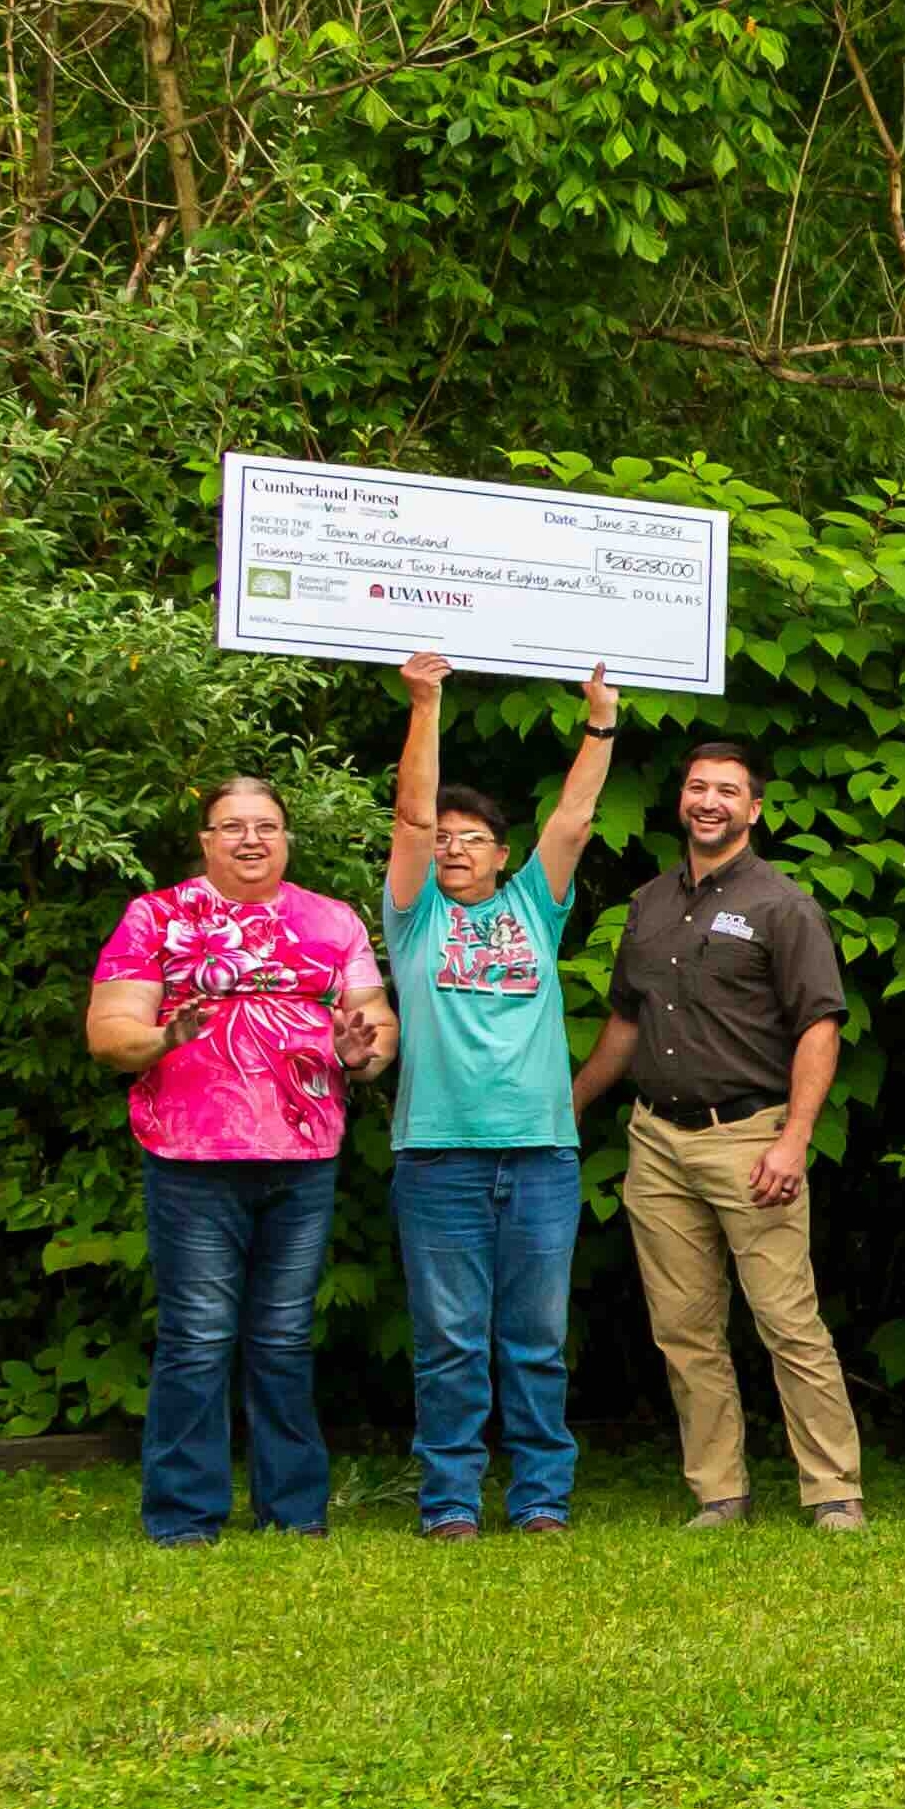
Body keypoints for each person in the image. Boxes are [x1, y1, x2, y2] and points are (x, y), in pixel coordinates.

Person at [84, 775, 395, 1546]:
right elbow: (108, 1031)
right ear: (205, 840)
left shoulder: (331, 918)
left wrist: (363, 1054)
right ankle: (185, 1519)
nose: (250, 839)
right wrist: (163, 1038)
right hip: (191, 1157)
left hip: (303, 1155)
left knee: (285, 1337)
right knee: (197, 1336)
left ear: (286, 837)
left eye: (265, 826)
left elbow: (375, 1022)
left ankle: (294, 1513)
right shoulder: (155, 916)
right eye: (232, 827)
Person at [579, 738, 866, 1529]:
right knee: (683, 1329)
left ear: (755, 808)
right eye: (698, 787)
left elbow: (820, 1027)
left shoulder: (784, 906)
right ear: (682, 800)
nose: (709, 801)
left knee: (786, 1319)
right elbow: (626, 1024)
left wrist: (793, 1138)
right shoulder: (647, 904)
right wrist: (569, 1103)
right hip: (656, 1143)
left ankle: (833, 1491)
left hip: (749, 1138)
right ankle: (720, 1492)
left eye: (727, 791)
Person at [380, 654, 619, 1539]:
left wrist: (600, 721)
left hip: (541, 1157)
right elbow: (410, 816)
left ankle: (542, 1500)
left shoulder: (534, 905)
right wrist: (427, 703)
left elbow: (576, 816)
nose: (451, 847)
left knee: (535, 1343)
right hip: (438, 1156)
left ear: (502, 855)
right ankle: (448, 1503)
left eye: (471, 836)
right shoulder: (414, 917)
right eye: (443, 838)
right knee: (448, 1345)